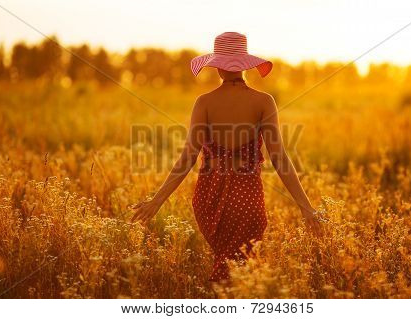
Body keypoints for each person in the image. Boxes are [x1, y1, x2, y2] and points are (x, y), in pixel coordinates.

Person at [131, 32, 321, 282]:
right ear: (246, 66)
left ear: (217, 67)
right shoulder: (264, 102)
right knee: (238, 276)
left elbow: (187, 158)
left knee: (229, 272)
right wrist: (306, 208)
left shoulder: (204, 103)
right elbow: (280, 159)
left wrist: (156, 201)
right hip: (248, 202)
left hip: (208, 200)